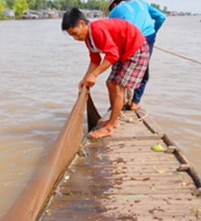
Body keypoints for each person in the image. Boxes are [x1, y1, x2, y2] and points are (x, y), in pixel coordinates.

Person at [61, 7, 149, 139]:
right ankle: (114, 120)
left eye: (74, 33)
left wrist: (94, 75)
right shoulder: (88, 39)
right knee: (110, 83)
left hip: (136, 49)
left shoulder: (97, 30)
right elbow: (95, 60)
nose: (75, 38)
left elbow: (112, 55)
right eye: (71, 35)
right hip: (122, 52)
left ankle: (110, 126)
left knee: (119, 87)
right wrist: (85, 79)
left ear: (82, 24)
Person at [105, 0, 166, 111]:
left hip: (129, 40)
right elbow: (161, 17)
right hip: (148, 37)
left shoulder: (114, 13)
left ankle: (118, 102)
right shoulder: (142, 3)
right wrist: (153, 33)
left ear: (113, 5)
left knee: (123, 68)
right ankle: (135, 102)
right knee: (143, 70)